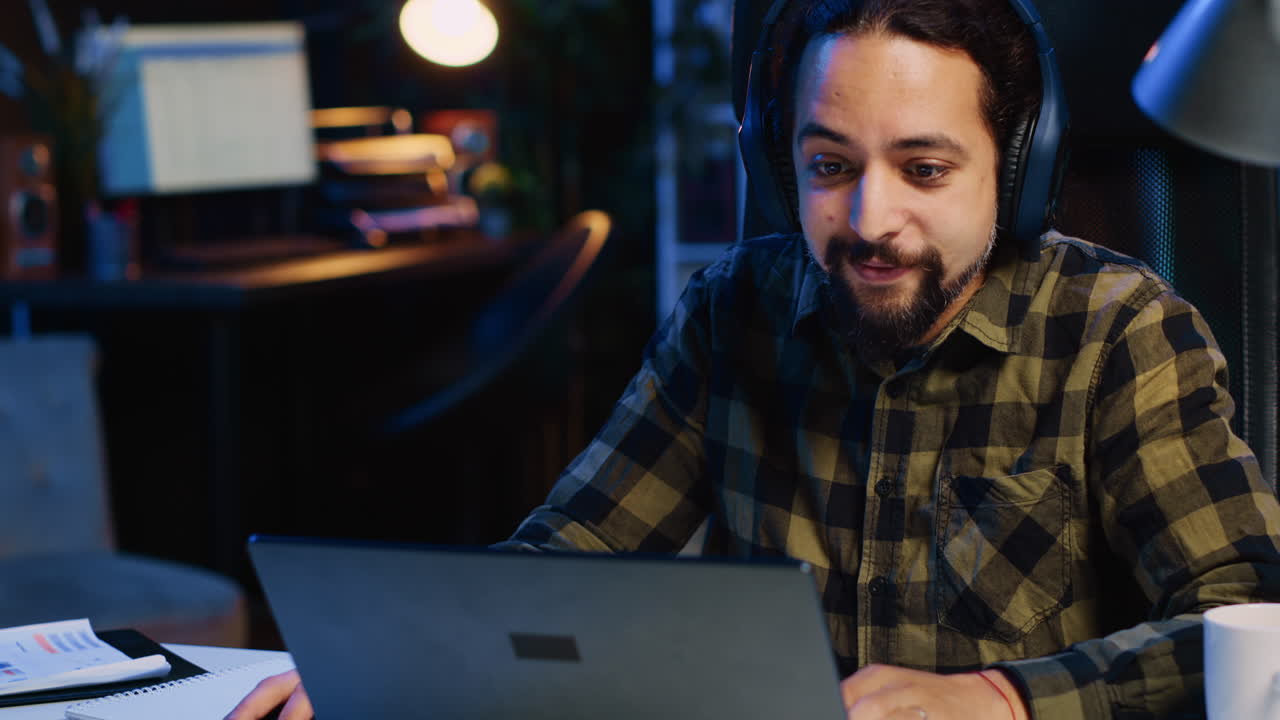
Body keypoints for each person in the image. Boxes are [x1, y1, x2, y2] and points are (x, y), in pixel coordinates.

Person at [227, 0, 1280, 718]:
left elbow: (1255, 628)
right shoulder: (731, 310)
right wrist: (399, 670)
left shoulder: (1117, 329)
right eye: (829, 165)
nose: (869, 219)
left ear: (1011, 175)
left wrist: (1004, 698)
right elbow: (576, 550)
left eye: (922, 168)